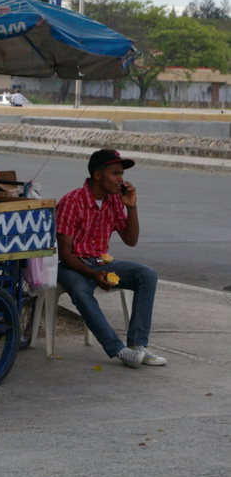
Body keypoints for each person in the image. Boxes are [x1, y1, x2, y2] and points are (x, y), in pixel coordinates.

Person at [55, 149, 167, 369]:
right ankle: (118, 350)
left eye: (122, 174)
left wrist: (131, 206)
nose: (121, 180)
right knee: (80, 291)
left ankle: (137, 345)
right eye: (115, 173)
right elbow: (64, 253)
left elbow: (130, 240)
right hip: (72, 265)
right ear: (98, 175)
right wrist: (93, 275)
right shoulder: (72, 201)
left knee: (147, 275)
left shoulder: (114, 201)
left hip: (100, 263)